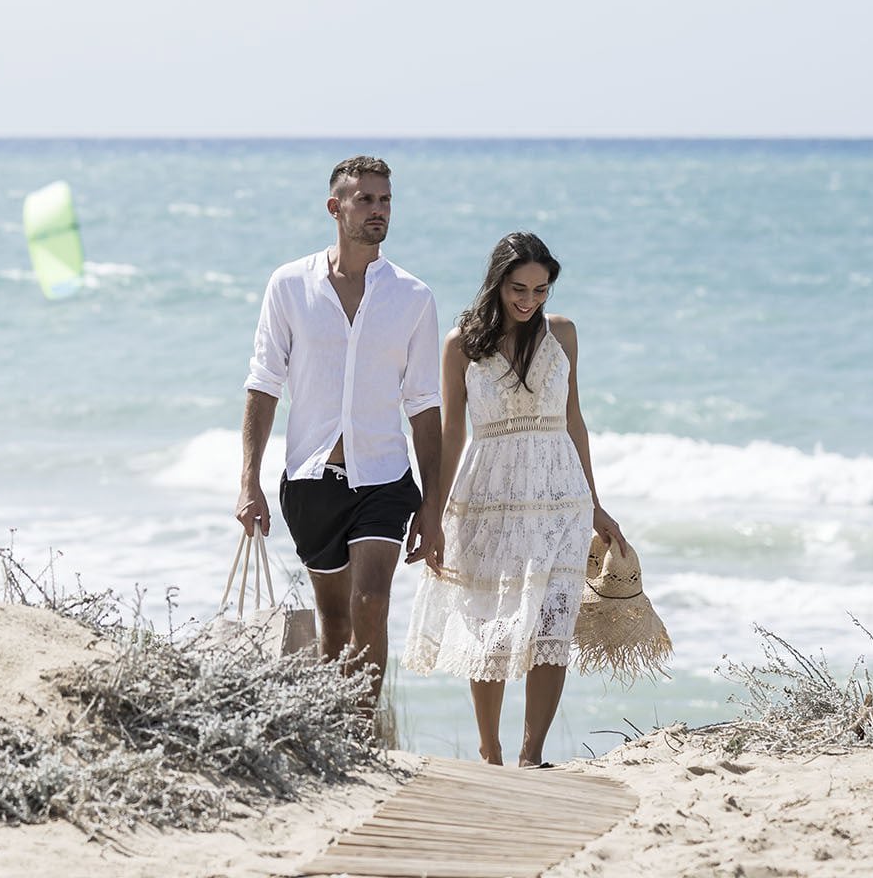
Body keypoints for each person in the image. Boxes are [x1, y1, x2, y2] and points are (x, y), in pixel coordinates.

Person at [405, 231, 629, 766]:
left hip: (559, 496)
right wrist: (433, 508)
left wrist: (594, 502)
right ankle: (490, 751)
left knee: (553, 620)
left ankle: (533, 756)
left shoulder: (564, 334)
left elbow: (575, 420)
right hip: (489, 496)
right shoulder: (462, 344)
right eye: (518, 288)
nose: (529, 300)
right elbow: (452, 433)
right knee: (492, 625)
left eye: (541, 289)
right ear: (497, 283)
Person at [235, 155, 443, 711]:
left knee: (372, 601)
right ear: (336, 207)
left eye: (386, 200)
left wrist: (433, 506)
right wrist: (249, 481)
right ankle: (336, 731)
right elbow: (263, 383)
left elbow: (425, 406)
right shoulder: (288, 285)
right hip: (311, 480)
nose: (379, 211)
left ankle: (363, 730)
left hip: (383, 477)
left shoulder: (414, 298)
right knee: (332, 621)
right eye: (366, 199)